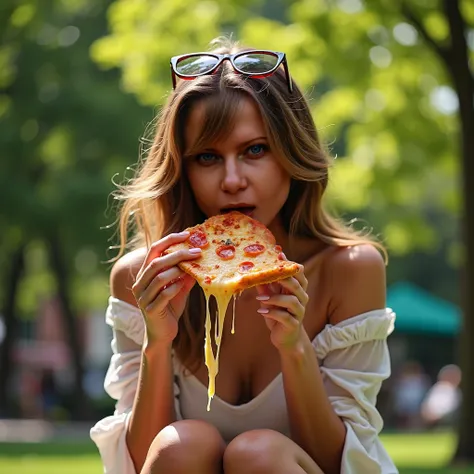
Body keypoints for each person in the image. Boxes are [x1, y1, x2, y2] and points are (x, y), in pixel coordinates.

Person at [90, 37, 398, 474]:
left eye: (255, 150)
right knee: (183, 444)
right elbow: (141, 465)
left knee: (259, 454)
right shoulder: (144, 278)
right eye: (208, 157)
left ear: (291, 153)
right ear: (183, 167)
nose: (232, 180)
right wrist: (157, 343)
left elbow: (341, 463)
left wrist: (295, 349)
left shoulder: (348, 270)